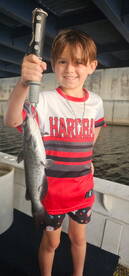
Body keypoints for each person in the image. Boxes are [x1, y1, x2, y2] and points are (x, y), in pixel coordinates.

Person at [4, 29, 105, 276]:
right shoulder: (44, 100)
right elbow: (12, 119)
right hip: (53, 194)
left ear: (92, 66)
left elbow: (93, 135)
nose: (70, 69)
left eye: (79, 62)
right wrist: (24, 82)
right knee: (52, 243)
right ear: (53, 65)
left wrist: (88, 160)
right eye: (63, 61)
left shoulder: (96, 103)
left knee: (80, 240)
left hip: (83, 190)